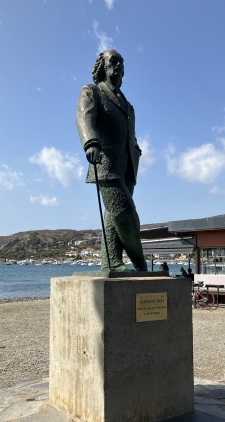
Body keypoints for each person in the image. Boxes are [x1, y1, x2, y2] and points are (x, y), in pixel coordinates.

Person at [76, 49, 147, 272]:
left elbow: (130, 134)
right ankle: (140, 262)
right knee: (125, 213)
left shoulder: (129, 107)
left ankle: (110, 263)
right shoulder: (93, 91)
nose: (118, 66)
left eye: (121, 63)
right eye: (113, 61)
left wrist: (136, 149)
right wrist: (91, 143)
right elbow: (84, 116)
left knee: (112, 218)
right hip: (105, 163)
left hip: (128, 168)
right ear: (102, 67)